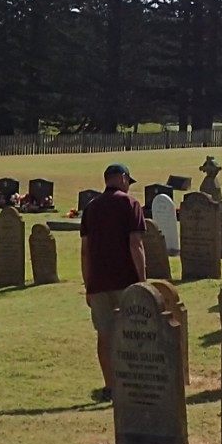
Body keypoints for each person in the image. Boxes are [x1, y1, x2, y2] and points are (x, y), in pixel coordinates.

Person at [78, 162, 147, 401]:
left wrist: (88, 285)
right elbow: (135, 244)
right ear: (124, 179)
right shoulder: (130, 204)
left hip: (98, 281)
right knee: (136, 332)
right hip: (126, 281)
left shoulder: (91, 208)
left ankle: (110, 386)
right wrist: (143, 282)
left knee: (104, 334)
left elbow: (85, 250)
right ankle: (135, 380)